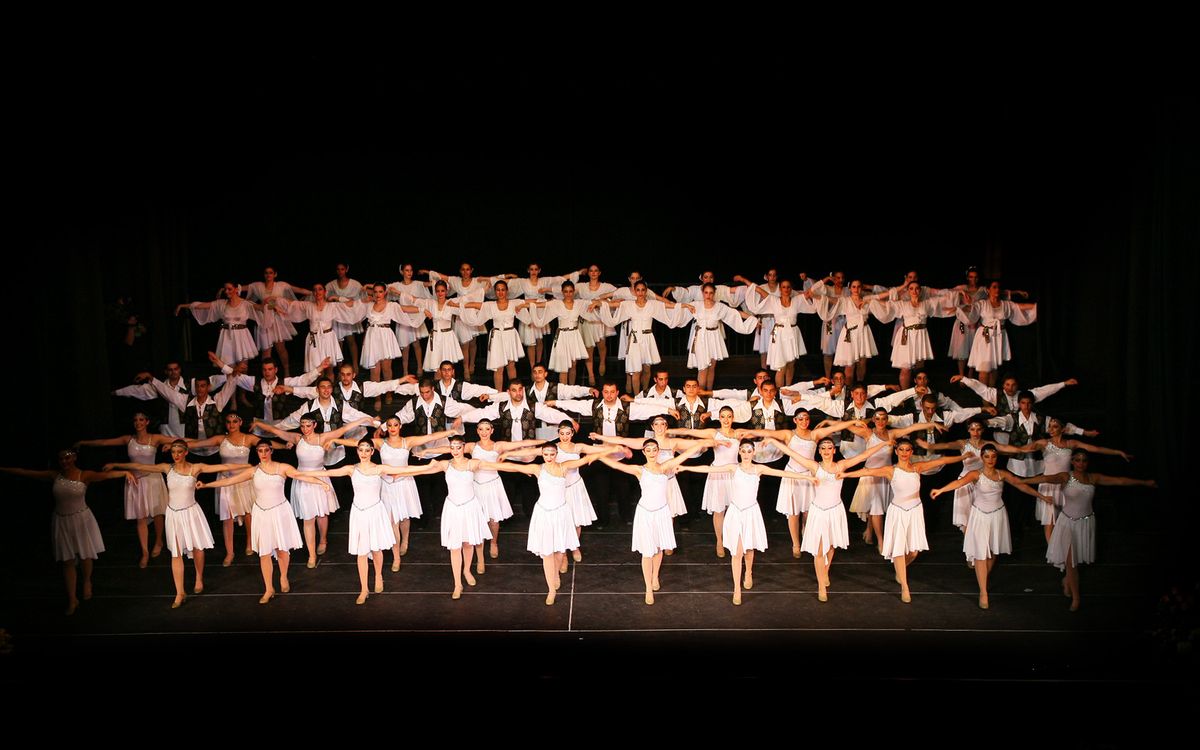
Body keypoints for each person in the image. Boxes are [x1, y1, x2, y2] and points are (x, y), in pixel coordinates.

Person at [296, 439, 444, 604]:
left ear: (373, 452)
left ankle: (379, 576)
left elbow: (406, 469)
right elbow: (326, 473)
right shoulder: (351, 469)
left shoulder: (379, 469)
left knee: (376, 549)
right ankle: (364, 588)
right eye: (361, 450)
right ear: (357, 451)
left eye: (367, 450)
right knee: (361, 552)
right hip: (359, 513)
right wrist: (299, 473)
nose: (364, 453)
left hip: (375, 511)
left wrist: (429, 466)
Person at [105, 440, 248, 609]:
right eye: (174, 452)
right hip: (173, 515)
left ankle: (198, 578)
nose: (176, 455)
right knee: (176, 553)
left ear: (186, 452)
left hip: (191, 513)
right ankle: (179, 592)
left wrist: (249, 467)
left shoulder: (195, 468)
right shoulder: (167, 468)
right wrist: (115, 464)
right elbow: (139, 465)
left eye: (180, 452)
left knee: (197, 548)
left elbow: (223, 467)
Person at [677, 439, 817, 606]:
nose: (745, 453)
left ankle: (748, 572)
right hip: (736, 512)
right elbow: (708, 468)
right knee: (736, 552)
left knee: (749, 549)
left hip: (751, 512)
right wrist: (685, 467)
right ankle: (737, 588)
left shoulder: (759, 469)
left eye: (749, 450)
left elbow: (783, 474)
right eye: (742, 450)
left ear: (754, 452)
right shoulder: (733, 468)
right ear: (739, 452)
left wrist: (806, 477)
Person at [483, 443, 621, 605]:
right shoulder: (537, 469)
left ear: (556, 454)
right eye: (546, 454)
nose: (549, 457)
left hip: (561, 513)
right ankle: (551, 590)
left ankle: (555, 573)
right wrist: (484, 464)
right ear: (542, 455)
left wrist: (612, 449)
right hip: (544, 514)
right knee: (547, 553)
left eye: (551, 454)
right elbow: (513, 467)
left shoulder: (564, 467)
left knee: (559, 551)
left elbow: (589, 458)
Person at [0, 451, 136, 615]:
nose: (64, 461)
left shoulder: (84, 475)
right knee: (67, 560)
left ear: (74, 458)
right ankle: (72, 599)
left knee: (85, 554)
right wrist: (4, 469)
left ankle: (86, 581)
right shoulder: (54, 475)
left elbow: (104, 476)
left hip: (81, 519)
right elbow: (27, 472)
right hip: (62, 520)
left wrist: (125, 472)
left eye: (67, 457)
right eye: (61, 458)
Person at [1020, 450, 1156, 611]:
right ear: (1072, 461)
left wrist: (1145, 483)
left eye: (1084, 460)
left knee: (1076, 561)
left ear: (1087, 462)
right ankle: (1076, 599)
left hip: (1085, 523)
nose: (1080, 463)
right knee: (1071, 562)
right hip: (1067, 524)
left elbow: (1119, 481)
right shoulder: (1066, 476)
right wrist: (1020, 481)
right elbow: (1045, 478)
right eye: (1077, 460)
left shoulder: (1093, 478)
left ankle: (1066, 580)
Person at [764, 436, 891, 602]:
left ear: (834, 450)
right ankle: (821, 586)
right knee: (819, 549)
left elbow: (864, 455)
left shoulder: (841, 466)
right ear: (819, 451)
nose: (826, 451)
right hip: (818, 512)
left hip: (835, 511)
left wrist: (883, 443)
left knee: (831, 546)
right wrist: (774, 441)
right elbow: (792, 454)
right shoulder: (814, 466)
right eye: (823, 448)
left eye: (829, 448)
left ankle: (825, 571)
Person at [838, 438, 965, 603]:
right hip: (898, 511)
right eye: (901, 450)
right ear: (896, 452)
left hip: (915, 511)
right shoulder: (890, 470)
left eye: (908, 450)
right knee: (899, 548)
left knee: (913, 552)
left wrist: (963, 457)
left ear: (911, 452)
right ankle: (905, 586)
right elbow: (867, 471)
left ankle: (901, 569)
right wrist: (846, 474)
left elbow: (942, 460)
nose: (904, 453)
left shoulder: (917, 468)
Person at [929, 444, 1054, 609]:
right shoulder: (976, 474)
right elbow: (959, 483)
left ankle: (983, 579)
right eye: (987, 456)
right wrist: (941, 490)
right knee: (981, 553)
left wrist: (1042, 496)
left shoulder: (1003, 474)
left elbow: (1020, 484)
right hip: (980, 516)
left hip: (997, 516)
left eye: (993, 456)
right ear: (982, 457)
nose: (990, 460)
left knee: (993, 553)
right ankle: (983, 592)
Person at [414, 418, 543, 572]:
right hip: (474, 487)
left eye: (487, 429)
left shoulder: (498, 445)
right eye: (480, 429)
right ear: (477, 431)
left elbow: (521, 444)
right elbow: (446, 449)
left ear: (492, 430)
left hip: (492, 485)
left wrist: (546, 443)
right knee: (477, 522)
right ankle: (480, 558)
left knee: (493, 520)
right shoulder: (471, 446)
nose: (484, 432)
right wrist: (427, 451)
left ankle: (494, 543)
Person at [331, 416, 459, 570]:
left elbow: (429, 436)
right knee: (392, 521)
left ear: (400, 426)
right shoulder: (380, 443)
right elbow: (355, 443)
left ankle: (405, 540)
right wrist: (336, 440)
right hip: (386, 485)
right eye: (389, 425)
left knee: (404, 517)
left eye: (395, 425)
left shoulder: (408, 441)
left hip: (404, 483)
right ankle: (396, 556)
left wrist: (449, 432)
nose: (392, 428)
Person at [254, 412, 377, 568]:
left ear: (314, 425)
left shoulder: (322, 438)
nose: (305, 429)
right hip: (303, 479)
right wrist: (258, 424)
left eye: (308, 425)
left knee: (321, 514)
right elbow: (275, 431)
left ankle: (323, 539)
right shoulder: (297, 439)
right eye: (302, 426)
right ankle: (311, 554)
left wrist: (365, 419)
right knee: (308, 518)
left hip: (320, 477)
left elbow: (344, 429)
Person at [196, 443, 313, 604]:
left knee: (281, 549)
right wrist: (206, 485)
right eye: (260, 451)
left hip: (279, 512)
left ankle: (284, 576)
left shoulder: (282, 467)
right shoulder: (253, 471)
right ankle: (268, 588)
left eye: (266, 450)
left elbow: (301, 475)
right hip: (262, 513)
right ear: (256, 453)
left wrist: (321, 482)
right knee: (264, 552)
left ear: (271, 451)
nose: (263, 453)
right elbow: (230, 481)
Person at [738, 411, 864, 558]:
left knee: (808, 511)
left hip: (809, 476)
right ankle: (795, 543)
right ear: (795, 420)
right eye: (801, 419)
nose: (804, 421)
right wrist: (748, 431)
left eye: (806, 418)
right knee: (793, 512)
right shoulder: (789, 434)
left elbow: (833, 429)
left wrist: (852, 422)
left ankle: (806, 532)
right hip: (793, 475)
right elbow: (768, 432)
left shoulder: (814, 435)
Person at [599, 440, 710, 605]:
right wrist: (598, 456)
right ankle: (648, 588)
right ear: (644, 452)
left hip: (662, 512)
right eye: (648, 450)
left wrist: (705, 443)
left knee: (658, 548)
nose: (651, 452)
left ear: (658, 451)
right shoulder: (639, 470)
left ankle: (655, 575)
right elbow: (617, 466)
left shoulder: (665, 467)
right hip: (645, 513)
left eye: (654, 449)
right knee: (647, 552)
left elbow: (686, 454)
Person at [1008, 417, 1131, 544]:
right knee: (1050, 521)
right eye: (1049, 426)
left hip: (1067, 485)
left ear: (1063, 429)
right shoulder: (1044, 443)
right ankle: (1053, 554)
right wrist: (995, 448)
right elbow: (1020, 449)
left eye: (1055, 426)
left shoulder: (1071, 444)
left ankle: (1067, 550)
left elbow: (1095, 449)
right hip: (1049, 485)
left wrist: (1117, 452)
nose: (1051, 429)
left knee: (1067, 519)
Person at [504, 421, 613, 564]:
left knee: (576, 521)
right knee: (562, 522)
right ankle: (563, 554)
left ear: (572, 433)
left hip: (574, 487)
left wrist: (616, 448)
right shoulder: (552, 448)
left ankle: (574, 546)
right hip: (558, 490)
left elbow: (597, 451)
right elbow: (529, 451)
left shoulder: (578, 447)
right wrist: (509, 453)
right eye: (562, 434)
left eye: (568, 433)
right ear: (558, 434)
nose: (565, 436)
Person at [183, 412, 283, 566]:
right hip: (226, 481)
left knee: (248, 513)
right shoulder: (221, 439)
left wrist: (284, 445)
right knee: (227, 517)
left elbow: (266, 444)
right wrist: (176, 444)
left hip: (244, 480)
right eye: (229, 422)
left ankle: (250, 543)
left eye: (235, 421)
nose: (231, 425)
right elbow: (197, 443)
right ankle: (230, 552)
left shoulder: (248, 438)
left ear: (240, 422)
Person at [74, 413, 174, 567]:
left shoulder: (155, 438)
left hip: (153, 480)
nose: (138, 422)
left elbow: (181, 441)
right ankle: (145, 552)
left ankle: (159, 541)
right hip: (136, 481)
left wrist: (172, 445)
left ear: (147, 422)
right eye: (135, 420)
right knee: (140, 518)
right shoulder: (128, 439)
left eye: (141, 420)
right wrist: (84, 442)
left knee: (157, 513)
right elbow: (104, 443)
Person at [915, 418, 1031, 532]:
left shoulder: (988, 444)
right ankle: (970, 547)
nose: (975, 433)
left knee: (981, 517)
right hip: (965, 481)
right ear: (968, 430)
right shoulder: (963, 444)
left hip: (982, 481)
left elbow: (1006, 448)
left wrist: (1023, 449)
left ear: (983, 430)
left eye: (978, 429)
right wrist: (928, 446)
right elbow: (945, 446)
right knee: (966, 518)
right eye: (972, 429)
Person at [666, 406, 746, 557]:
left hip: (735, 474)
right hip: (718, 474)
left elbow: (761, 433)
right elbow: (690, 431)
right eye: (723, 416)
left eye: (729, 416)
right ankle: (720, 541)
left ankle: (733, 539)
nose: (726, 419)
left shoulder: (738, 433)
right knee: (719, 510)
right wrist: (668, 431)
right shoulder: (713, 433)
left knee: (736, 509)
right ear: (719, 418)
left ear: (733, 418)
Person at [591, 280, 690, 395]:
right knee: (636, 370)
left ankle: (644, 393)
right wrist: (598, 303)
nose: (640, 292)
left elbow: (669, 305)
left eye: (643, 290)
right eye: (638, 290)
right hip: (635, 340)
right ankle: (637, 396)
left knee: (647, 369)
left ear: (646, 291)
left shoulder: (653, 305)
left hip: (647, 338)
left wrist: (685, 305)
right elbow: (612, 304)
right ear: (635, 291)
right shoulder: (629, 305)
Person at [872, 281, 958, 390]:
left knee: (919, 367)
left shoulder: (927, 303)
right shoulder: (903, 304)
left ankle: (920, 393)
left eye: (917, 288)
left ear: (920, 290)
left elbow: (944, 301)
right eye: (911, 288)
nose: (914, 291)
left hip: (920, 336)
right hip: (907, 337)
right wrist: (870, 301)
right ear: (908, 291)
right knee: (905, 368)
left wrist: (959, 294)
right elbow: (887, 305)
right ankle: (905, 395)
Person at [676, 282, 760, 390]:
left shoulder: (719, 307)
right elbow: (680, 309)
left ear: (714, 293)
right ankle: (701, 396)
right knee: (703, 368)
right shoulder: (696, 305)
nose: (708, 295)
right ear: (702, 293)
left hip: (714, 337)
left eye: (711, 293)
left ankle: (709, 393)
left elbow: (735, 313)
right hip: (701, 337)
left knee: (711, 368)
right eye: (706, 292)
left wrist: (752, 319)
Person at [956, 281, 1038, 387]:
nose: (997, 289)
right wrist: (967, 305)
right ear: (988, 290)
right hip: (985, 337)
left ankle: (991, 392)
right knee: (984, 368)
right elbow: (970, 311)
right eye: (994, 287)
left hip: (999, 336)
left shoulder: (1006, 304)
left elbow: (1021, 306)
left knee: (994, 368)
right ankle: (985, 397)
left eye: (998, 287)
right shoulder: (982, 304)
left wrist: (1037, 306)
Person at [271, 282, 364, 376]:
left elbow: (350, 304)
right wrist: (274, 300)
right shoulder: (308, 305)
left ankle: (329, 389)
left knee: (329, 370)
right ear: (313, 293)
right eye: (315, 290)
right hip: (314, 339)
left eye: (320, 289)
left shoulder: (332, 306)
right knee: (317, 372)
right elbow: (291, 304)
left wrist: (338, 298)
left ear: (325, 292)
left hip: (328, 339)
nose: (317, 292)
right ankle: (319, 390)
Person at [457, 279, 532, 391]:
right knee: (499, 368)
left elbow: (532, 301)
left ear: (507, 291)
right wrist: (458, 304)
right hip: (497, 337)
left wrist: (546, 302)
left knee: (511, 366)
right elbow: (473, 304)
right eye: (498, 290)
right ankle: (499, 396)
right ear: (495, 292)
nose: (500, 292)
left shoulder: (514, 303)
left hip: (510, 336)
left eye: (503, 290)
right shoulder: (490, 305)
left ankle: (514, 392)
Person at [524, 280, 601, 385]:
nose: (568, 294)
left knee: (573, 365)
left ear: (573, 291)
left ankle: (571, 389)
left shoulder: (579, 303)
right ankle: (563, 393)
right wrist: (523, 305)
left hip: (574, 335)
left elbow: (595, 303)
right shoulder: (557, 304)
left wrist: (605, 302)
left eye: (570, 291)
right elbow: (541, 305)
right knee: (563, 367)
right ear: (562, 292)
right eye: (565, 291)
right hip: (562, 336)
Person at [240, 266, 312, 376]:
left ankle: (287, 372)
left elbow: (299, 290)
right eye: (266, 273)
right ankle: (267, 376)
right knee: (266, 351)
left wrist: (312, 293)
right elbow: (240, 288)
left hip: (278, 320)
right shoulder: (258, 286)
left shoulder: (281, 285)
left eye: (270, 273)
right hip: (264, 320)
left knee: (281, 348)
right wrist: (228, 288)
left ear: (275, 274)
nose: (268, 275)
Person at [744, 279, 816, 389]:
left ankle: (788, 388)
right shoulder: (774, 300)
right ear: (780, 289)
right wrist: (743, 280)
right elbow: (759, 290)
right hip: (780, 335)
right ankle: (779, 393)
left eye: (788, 287)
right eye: (783, 287)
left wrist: (822, 283)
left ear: (791, 289)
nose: (786, 289)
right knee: (781, 366)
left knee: (791, 364)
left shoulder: (797, 300)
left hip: (792, 333)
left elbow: (810, 293)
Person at [176, 282, 263, 366]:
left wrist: (272, 301)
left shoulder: (246, 304)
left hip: (241, 336)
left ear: (236, 289)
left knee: (242, 370)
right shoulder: (221, 304)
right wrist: (182, 305)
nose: (226, 291)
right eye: (225, 289)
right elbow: (201, 305)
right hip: (227, 336)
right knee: (228, 369)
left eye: (229, 289)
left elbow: (263, 308)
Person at [112, 361, 191, 438]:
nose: (173, 372)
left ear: (180, 369)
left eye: (176, 369)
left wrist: (151, 378)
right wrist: (116, 392)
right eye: (170, 370)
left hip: (185, 428)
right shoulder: (159, 386)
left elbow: (174, 397)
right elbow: (138, 390)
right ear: (166, 371)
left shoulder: (190, 385)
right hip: (166, 430)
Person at [574, 264, 618, 383]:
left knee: (601, 346)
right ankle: (591, 374)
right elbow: (566, 288)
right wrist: (578, 272)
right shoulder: (581, 287)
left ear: (599, 273)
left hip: (599, 321)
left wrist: (603, 300)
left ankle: (602, 362)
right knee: (589, 348)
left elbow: (619, 293)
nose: (593, 273)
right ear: (588, 273)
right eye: (591, 271)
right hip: (586, 321)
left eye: (596, 271)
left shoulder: (605, 287)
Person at [386, 263, 432, 376]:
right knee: (405, 346)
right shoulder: (396, 285)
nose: (409, 273)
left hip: (415, 316)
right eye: (406, 270)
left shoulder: (417, 284)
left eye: (411, 270)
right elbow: (382, 288)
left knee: (416, 344)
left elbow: (431, 284)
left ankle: (420, 367)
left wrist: (427, 272)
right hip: (404, 317)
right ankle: (405, 370)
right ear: (402, 272)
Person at [327, 262, 366, 374]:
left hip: (348, 316)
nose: (340, 271)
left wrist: (338, 298)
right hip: (337, 316)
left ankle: (355, 365)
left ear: (347, 269)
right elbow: (323, 295)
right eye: (338, 269)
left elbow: (358, 300)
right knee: (339, 343)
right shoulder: (331, 284)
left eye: (342, 269)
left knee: (351, 340)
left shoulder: (354, 284)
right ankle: (340, 369)